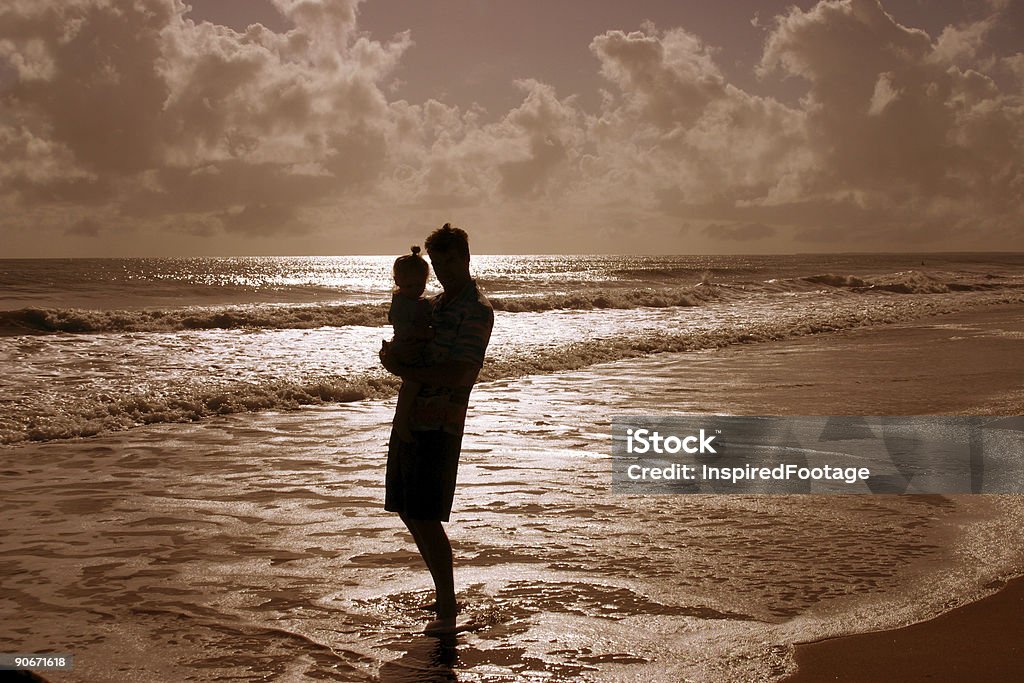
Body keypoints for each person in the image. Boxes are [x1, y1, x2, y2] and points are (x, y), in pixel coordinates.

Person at [379, 223, 494, 636]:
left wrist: (400, 366)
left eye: (449, 260)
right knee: (408, 509)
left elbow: (461, 374)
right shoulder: (439, 305)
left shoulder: (475, 310)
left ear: (465, 257)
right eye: (437, 262)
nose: (443, 269)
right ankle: (444, 596)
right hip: (412, 416)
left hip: (440, 421)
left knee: (425, 514)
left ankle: (448, 607)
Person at [387, 246, 433, 443]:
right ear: (398, 282)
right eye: (409, 286)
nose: (415, 290)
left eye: (419, 285)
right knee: (413, 382)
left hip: (411, 344)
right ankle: (401, 419)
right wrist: (427, 332)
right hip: (406, 346)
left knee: (414, 384)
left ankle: (407, 416)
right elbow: (403, 327)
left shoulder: (413, 300)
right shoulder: (403, 303)